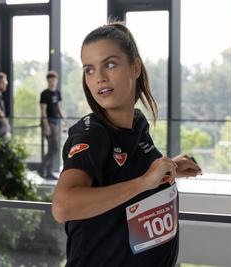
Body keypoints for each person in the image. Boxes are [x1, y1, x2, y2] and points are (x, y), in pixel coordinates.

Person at [52, 22, 202, 267]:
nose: (99, 77)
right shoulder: (93, 134)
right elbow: (62, 206)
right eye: (89, 69)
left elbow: (123, 179)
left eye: (110, 65)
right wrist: (144, 182)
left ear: (135, 67)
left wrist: (169, 169)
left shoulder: (137, 125)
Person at [39, 70, 66, 180]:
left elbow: (59, 108)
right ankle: (44, 169)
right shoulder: (44, 94)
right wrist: (46, 126)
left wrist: (64, 120)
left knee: (54, 148)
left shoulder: (57, 93)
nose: (52, 82)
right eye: (50, 80)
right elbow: (43, 111)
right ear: (48, 81)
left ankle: (45, 170)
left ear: (56, 80)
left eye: (54, 80)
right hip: (49, 122)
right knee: (53, 147)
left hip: (56, 122)